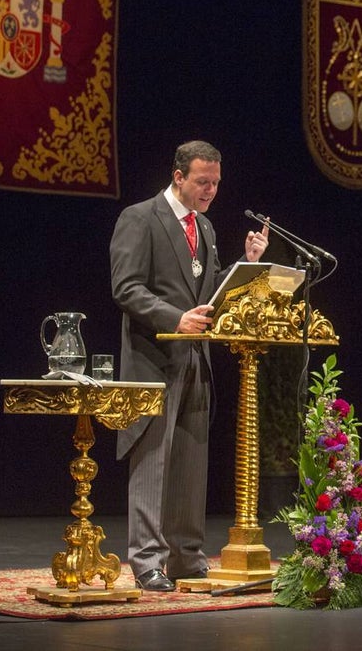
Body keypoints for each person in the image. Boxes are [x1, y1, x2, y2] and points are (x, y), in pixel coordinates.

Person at [109, 140, 269, 591]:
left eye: (216, 183)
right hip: (155, 358)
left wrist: (247, 264)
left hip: (196, 357)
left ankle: (185, 556)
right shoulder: (140, 218)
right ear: (178, 176)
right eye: (203, 181)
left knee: (190, 462)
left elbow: (208, 292)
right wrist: (174, 318)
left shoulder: (206, 228)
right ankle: (147, 560)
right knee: (153, 461)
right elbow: (126, 288)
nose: (210, 190)